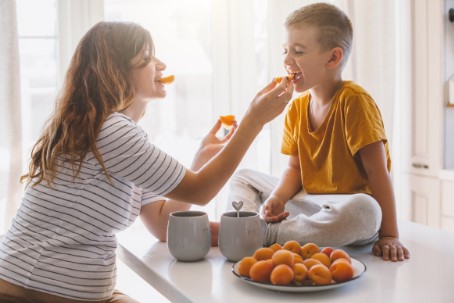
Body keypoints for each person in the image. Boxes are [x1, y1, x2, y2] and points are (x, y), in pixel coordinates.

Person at [0, 21, 293, 303]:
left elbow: (162, 223)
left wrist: (200, 161)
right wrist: (255, 120)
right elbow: (201, 192)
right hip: (29, 289)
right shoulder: (111, 131)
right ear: (117, 71)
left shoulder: (113, 135)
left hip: (55, 289)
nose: (162, 65)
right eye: (147, 58)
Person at [226, 3, 410, 262]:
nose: (287, 61)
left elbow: (377, 172)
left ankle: (260, 234)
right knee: (244, 177)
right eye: (285, 51)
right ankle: (243, 227)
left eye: (298, 52)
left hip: (346, 209)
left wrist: (390, 235)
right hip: (310, 203)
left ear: (333, 58)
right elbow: (295, 169)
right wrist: (278, 198)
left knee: (366, 210)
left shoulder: (354, 101)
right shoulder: (296, 108)